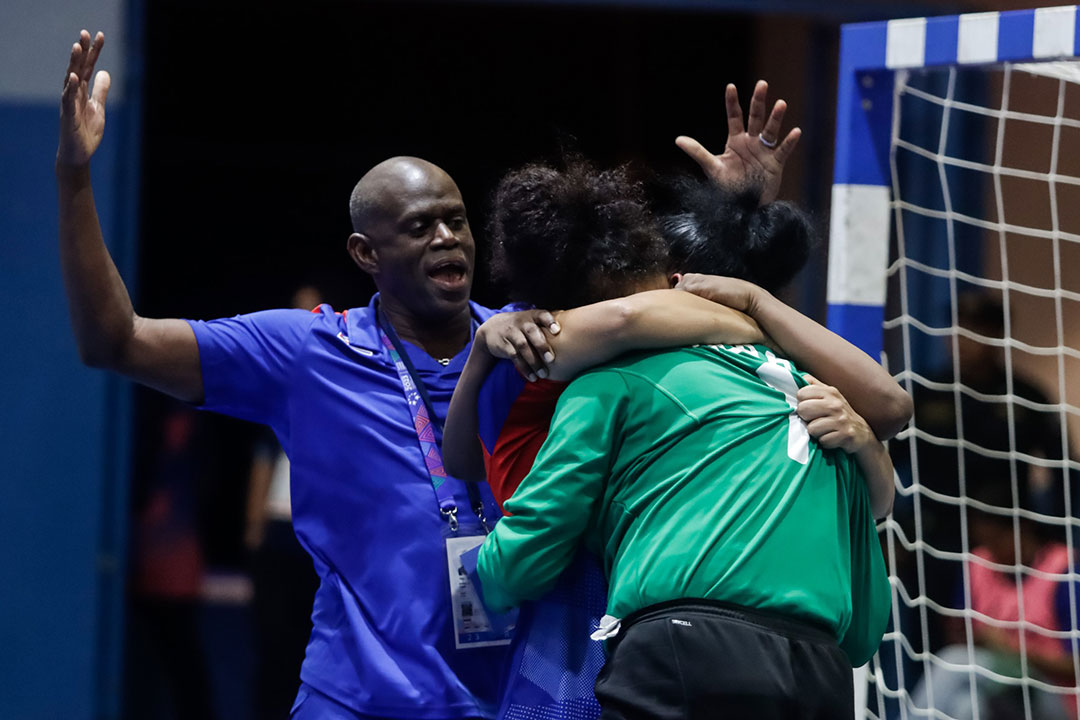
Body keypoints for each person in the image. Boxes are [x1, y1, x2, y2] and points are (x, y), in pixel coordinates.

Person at [56, 30, 809, 718]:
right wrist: (75, 177)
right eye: (420, 226)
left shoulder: (539, 339)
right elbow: (113, 342)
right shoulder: (305, 353)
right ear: (364, 254)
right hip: (356, 700)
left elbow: (689, 312)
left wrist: (739, 215)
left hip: (520, 700)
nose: (448, 237)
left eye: (456, 219)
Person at [471, 161, 902, 718]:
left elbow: (516, 562)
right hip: (820, 669)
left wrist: (472, 580)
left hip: (675, 645)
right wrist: (753, 311)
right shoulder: (812, 386)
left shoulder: (599, 385)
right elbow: (867, 616)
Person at [244, 285, 323, 720]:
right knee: (271, 646)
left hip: (316, 538)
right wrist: (252, 529)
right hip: (276, 533)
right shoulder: (277, 381)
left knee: (306, 648)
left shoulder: (339, 380)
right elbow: (261, 458)